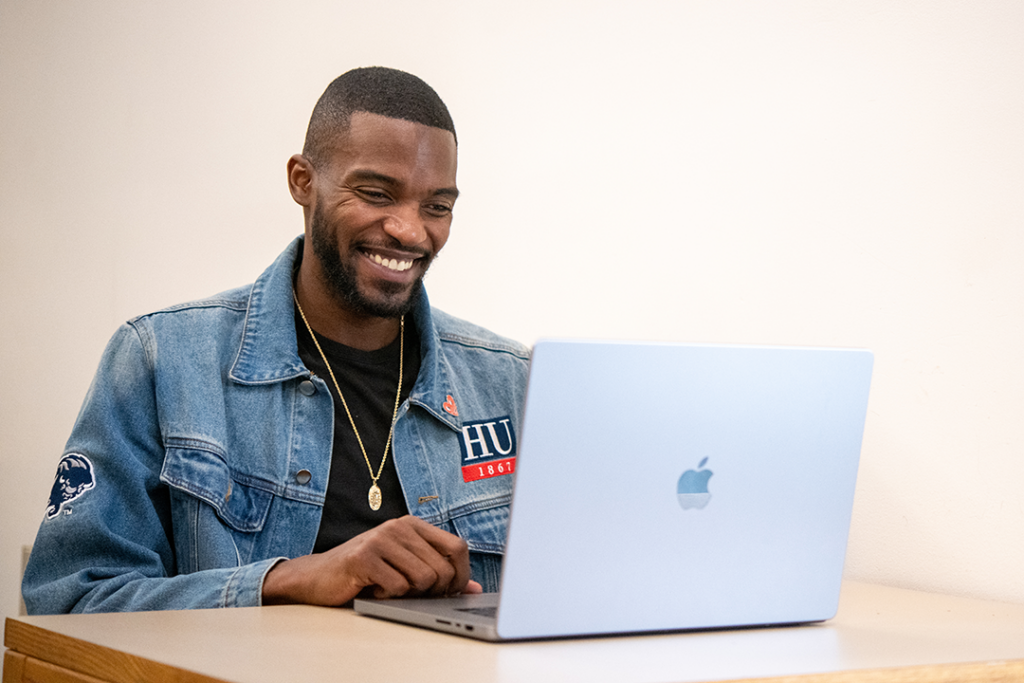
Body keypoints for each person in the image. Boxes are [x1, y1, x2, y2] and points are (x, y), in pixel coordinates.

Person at [22, 67, 530, 614]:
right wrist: (283, 581)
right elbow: (70, 602)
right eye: (376, 193)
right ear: (302, 181)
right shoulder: (161, 358)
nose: (410, 230)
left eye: (437, 206)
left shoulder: (510, 381)